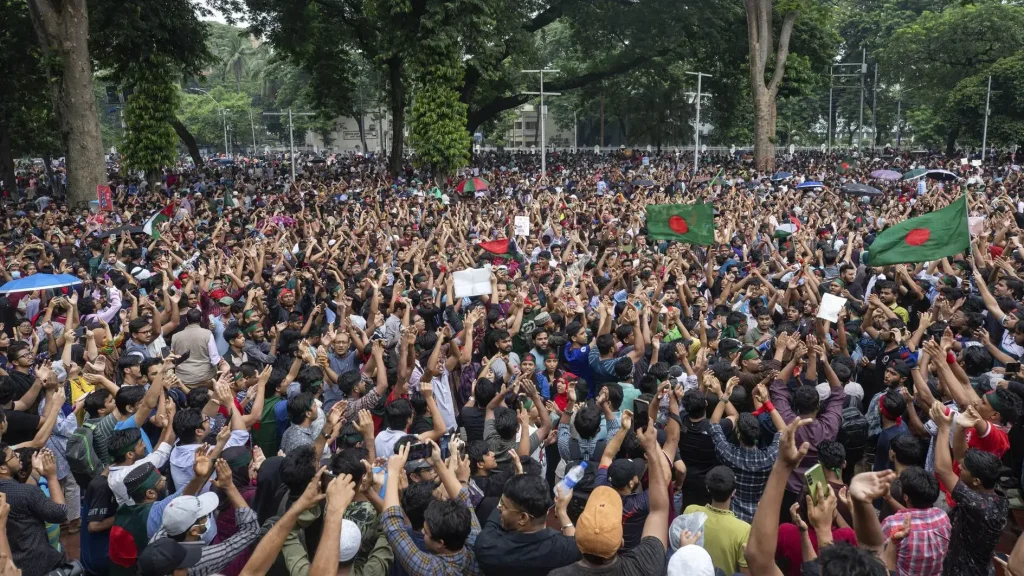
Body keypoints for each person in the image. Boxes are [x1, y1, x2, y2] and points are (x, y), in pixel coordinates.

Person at [549, 419, 669, 576]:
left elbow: (607, 456)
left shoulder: (557, 574)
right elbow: (659, 508)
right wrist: (652, 450)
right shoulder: (644, 566)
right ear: (621, 543)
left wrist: (562, 512)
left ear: (578, 540)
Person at [929, 401, 1007, 576]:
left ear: (977, 480)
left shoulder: (977, 503)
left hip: (966, 570)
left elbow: (943, 469)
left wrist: (943, 428)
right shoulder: (995, 494)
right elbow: (959, 455)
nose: (960, 468)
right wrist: (960, 428)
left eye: (964, 469)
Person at [474, 474, 581, 575]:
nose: (499, 507)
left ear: (523, 518)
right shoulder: (563, 550)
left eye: (503, 505)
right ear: (547, 511)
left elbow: (493, 521)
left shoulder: (486, 547)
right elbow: (577, 545)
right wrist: (562, 511)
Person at [0, 445, 67, 575]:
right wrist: (51, 476)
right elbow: (60, 513)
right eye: (13, 455)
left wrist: (34, 471)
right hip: (40, 564)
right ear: (2, 469)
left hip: (11, 566)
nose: (18, 456)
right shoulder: (26, 493)